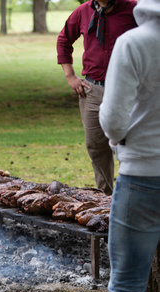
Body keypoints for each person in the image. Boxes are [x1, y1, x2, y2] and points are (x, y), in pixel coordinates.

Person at [99, 0, 160, 292]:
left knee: (127, 290)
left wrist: (115, 138)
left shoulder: (134, 43)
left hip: (143, 179)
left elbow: (113, 121)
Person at [56, 0, 137, 195]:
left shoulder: (133, 8)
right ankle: (105, 199)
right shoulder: (84, 11)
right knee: (96, 146)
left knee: (130, 145)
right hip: (93, 90)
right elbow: (63, 40)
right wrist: (70, 77)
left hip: (127, 90)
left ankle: (133, 195)